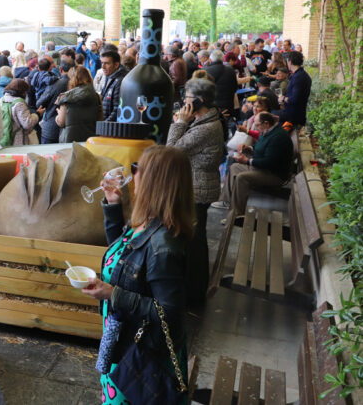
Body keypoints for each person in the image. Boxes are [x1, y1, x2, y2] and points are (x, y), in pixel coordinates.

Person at [82, 145, 192, 405]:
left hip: (140, 357)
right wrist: (113, 206)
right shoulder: (148, 222)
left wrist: (113, 293)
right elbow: (123, 259)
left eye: (136, 169)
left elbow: (170, 316)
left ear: (156, 182)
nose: (132, 174)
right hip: (123, 343)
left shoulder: (163, 245)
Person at [167, 79, 225, 307]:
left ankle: (194, 294)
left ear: (199, 101)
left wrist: (180, 123)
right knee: (193, 240)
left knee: (195, 243)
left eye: (187, 98)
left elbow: (171, 149)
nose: (183, 102)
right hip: (198, 187)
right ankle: (192, 289)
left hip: (197, 190)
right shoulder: (206, 120)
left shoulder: (206, 127)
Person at [217, 112, 293, 216]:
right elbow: (260, 148)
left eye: (257, 125)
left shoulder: (278, 137)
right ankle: (227, 201)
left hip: (274, 175)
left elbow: (269, 162)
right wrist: (249, 149)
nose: (255, 128)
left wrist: (248, 161)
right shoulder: (267, 131)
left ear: (266, 123)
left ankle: (236, 214)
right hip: (263, 169)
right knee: (234, 167)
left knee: (242, 178)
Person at [55, 66, 101, 143]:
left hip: (70, 140)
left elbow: (61, 122)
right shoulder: (96, 96)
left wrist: (58, 116)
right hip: (91, 139)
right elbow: (100, 119)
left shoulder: (65, 97)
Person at [36, 60, 73, 144]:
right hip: (71, 129)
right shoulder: (78, 84)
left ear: (60, 69)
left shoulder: (55, 84)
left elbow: (39, 104)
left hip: (52, 128)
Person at [0, 79, 40, 147]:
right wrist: (37, 114)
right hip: (17, 141)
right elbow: (27, 123)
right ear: (22, 91)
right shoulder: (19, 104)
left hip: (3, 139)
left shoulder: (1, 100)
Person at [278, 51, 312, 128]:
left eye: (287, 61)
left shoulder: (299, 77)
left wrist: (283, 99)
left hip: (293, 116)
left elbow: (295, 99)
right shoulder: (300, 74)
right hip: (294, 113)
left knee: (269, 116)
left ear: (290, 62)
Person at [203, 50, 238, 123]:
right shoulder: (231, 70)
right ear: (223, 59)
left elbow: (203, 91)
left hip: (212, 108)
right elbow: (235, 88)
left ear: (210, 59)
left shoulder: (206, 71)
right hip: (228, 105)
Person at [98, 51, 128, 122]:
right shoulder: (110, 77)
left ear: (116, 65)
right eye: (102, 63)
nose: (103, 67)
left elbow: (117, 109)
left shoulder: (120, 81)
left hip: (111, 129)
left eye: (107, 63)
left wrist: (105, 125)